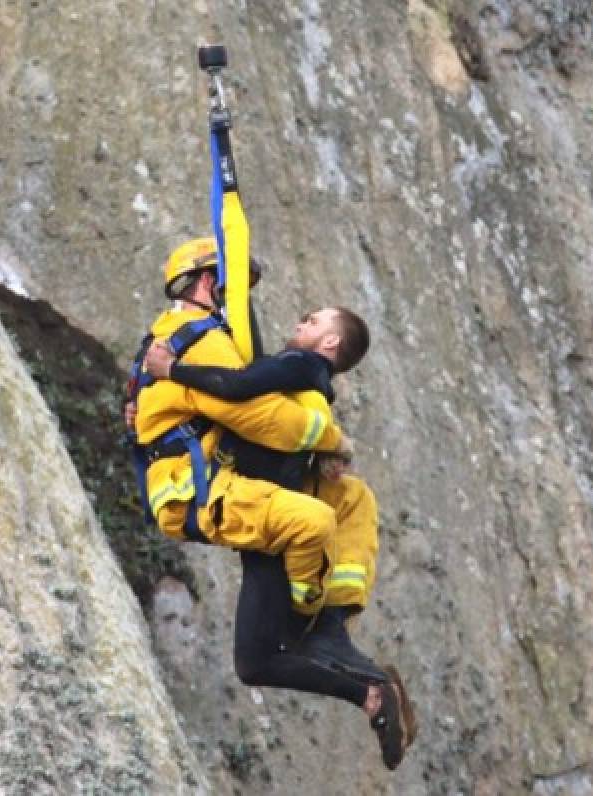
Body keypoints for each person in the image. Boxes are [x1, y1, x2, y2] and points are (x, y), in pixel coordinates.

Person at [129, 237, 416, 769]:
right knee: (315, 519)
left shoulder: (199, 339)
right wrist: (333, 440)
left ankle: (352, 667)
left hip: (241, 486)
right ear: (212, 283)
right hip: (208, 491)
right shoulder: (196, 342)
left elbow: (272, 412)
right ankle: (314, 620)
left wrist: (328, 442)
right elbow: (272, 421)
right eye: (239, 286)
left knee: (257, 655)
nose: (247, 301)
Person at [140, 306, 384, 680]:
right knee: (348, 500)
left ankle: (304, 618)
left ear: (330, 341)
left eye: (313, 321)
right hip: (266, 489)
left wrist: (171, 370)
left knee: (311, 524)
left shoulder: (300, 364)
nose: (300, 323)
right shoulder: (311, 385)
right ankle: (327, 625)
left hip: (244, 493)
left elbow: (238, 386)